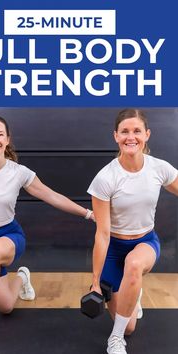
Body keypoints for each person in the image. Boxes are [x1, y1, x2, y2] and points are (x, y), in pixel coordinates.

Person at [0, 116, 95, 334]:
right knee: (6, 306)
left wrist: (87, 213)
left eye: (0, 134)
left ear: (8, 139)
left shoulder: (18, 172)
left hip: (9, 236)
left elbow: (52, 196)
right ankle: (22, 277)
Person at [87, 109, 178, 354]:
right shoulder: (105, 178)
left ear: (146, 135)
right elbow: (103, 234)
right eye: (125, 131)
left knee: (134, 264)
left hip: (145, 243)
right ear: (116, 136)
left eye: (137, 131)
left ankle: (115, 339)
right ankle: (132, 294)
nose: (131, 137)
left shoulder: (159, 168)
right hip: (114, 249)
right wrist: (95, 282)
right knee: (130, 326)